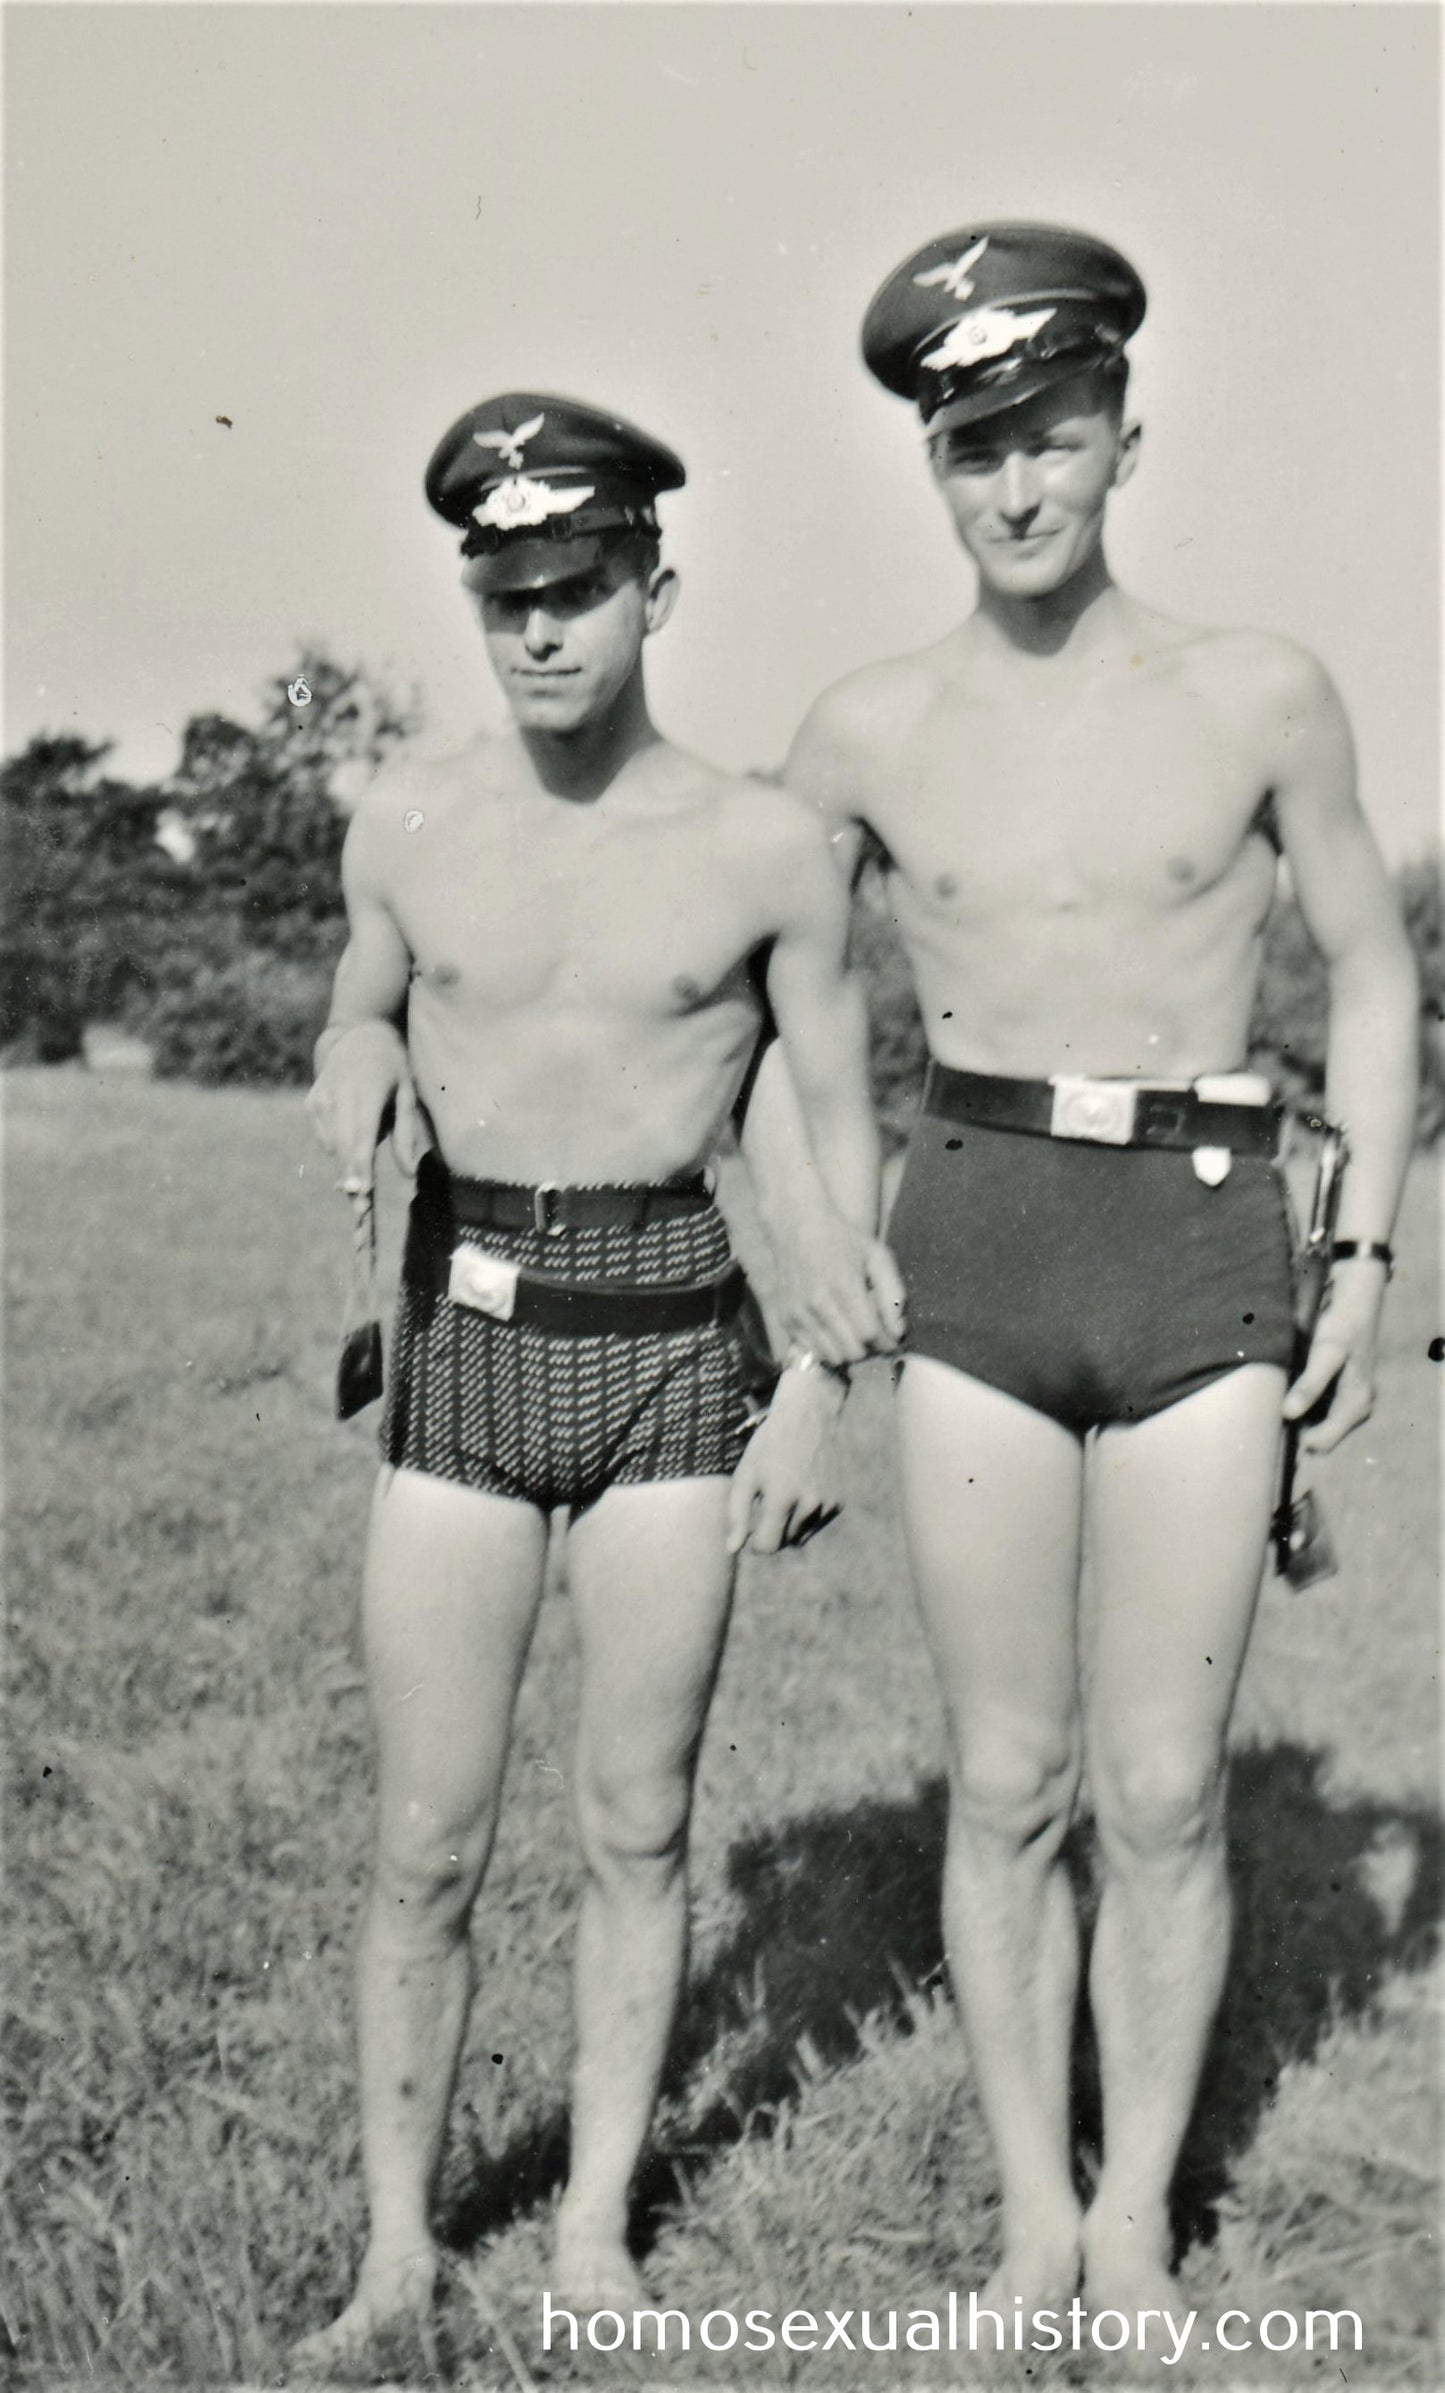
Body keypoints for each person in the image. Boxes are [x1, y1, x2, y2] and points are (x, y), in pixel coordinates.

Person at [767, 223, 1418, 2318]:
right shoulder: (862, 729)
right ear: (935, 472)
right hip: (975, 1231)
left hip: (1204, 1234)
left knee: (1160, 1785)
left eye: (1053, 433)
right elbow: (749, 1000)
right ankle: (1030, 2220)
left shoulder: (1258, 690)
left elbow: (1382, 973)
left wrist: (1370, 1256)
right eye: (975, 449)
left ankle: (1133, 2211)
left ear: (1128, 431)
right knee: (1012, 1774)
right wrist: (807, 1247)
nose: (1020, 485)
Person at [296, 391, 900, 2374]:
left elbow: (827, 1134)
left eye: (579, 591)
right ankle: (394, 2261)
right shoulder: (403, 817)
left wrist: (822, 1385)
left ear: (656, 585)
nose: (544, 631)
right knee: (426, 1839)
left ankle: (589, 2236)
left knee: (638, 1820)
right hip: (464, 1349)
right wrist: (351, 1067)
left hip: (670, 1351)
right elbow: (365, 1002)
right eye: (509, 599)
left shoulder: (763, 848)